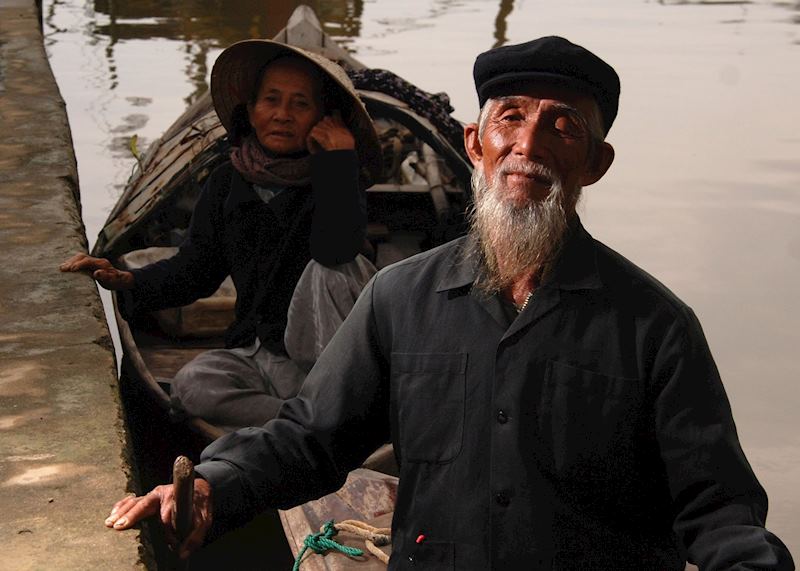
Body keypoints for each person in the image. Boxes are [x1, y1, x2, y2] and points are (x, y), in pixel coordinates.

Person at [104, 37, 795, 569]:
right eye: (512, 119)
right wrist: (214, 489)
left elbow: (720, 510)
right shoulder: (399, 299)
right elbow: (307, 438)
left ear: (595, 164)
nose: (529, 145)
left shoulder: (655, 327)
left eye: (563, 127)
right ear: (475, 143)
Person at [60, 40, 381, 431]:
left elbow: (337, 247)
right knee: (192, 386)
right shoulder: (228, 181)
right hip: (257, 356)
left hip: (329, 365)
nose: (282, 115)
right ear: (250, 110)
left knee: (330, 269)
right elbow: (198, 267)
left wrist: (338, 160)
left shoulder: (337, 181)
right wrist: (127, 279)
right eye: (271, 100)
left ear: (323, 118)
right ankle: (315, 423)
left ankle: (327, 411)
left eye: (300, 104)